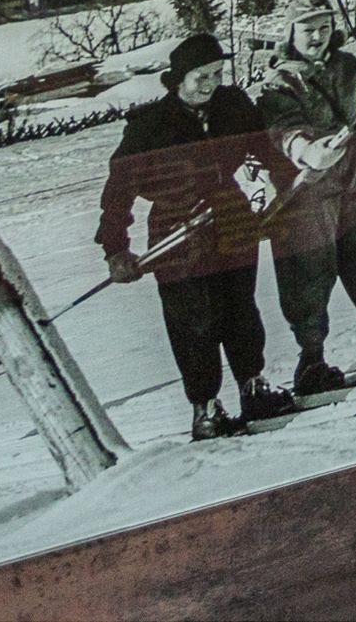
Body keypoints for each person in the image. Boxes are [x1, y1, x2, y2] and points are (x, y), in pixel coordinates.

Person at [96, 32, 299, 440]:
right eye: (201, 76)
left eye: (217, 73)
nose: (211, 83)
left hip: (231, 218)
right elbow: (118, 191)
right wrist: (116, 248)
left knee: (241, 310)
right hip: (177, 230)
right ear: (179, 79)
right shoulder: (150, 125)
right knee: (194, 323)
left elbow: (263, 151)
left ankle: (253, 388)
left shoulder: (233, 107)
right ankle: (205, 410)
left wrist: (285, 189)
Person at [255, 9, 356, 395]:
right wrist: (307, 150)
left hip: (353, 177)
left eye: (324, 29)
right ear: (290, 33)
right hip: (306, 187)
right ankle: (311, 361)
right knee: (308, 271)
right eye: (308, 30)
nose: (317, 37)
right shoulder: (279, 83)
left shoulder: (346, 66)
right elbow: (284, 130)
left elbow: (355, 119)